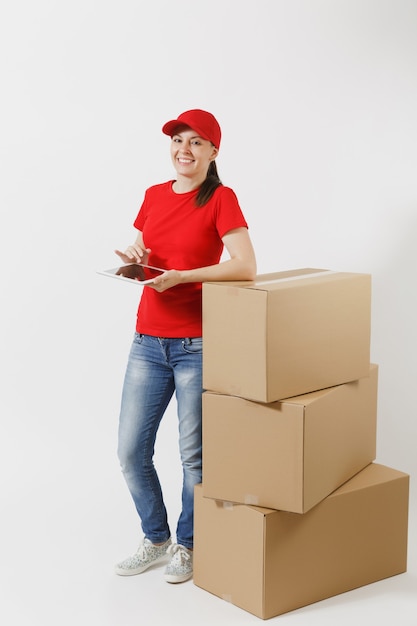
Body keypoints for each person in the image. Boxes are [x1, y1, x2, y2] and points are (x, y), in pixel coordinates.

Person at [113, 109, 257, 583]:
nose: (184, 150)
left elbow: (245, 265)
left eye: (197, 142)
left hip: (195, 344)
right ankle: (156, 538)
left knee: (192, 455)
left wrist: (183, 278)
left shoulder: (220, 198)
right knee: (132, 451)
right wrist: (137, 259)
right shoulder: (154, 195)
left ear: (213, 152)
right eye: (178, 140)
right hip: (147, 342)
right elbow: (146, 254)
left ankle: (187, 545)